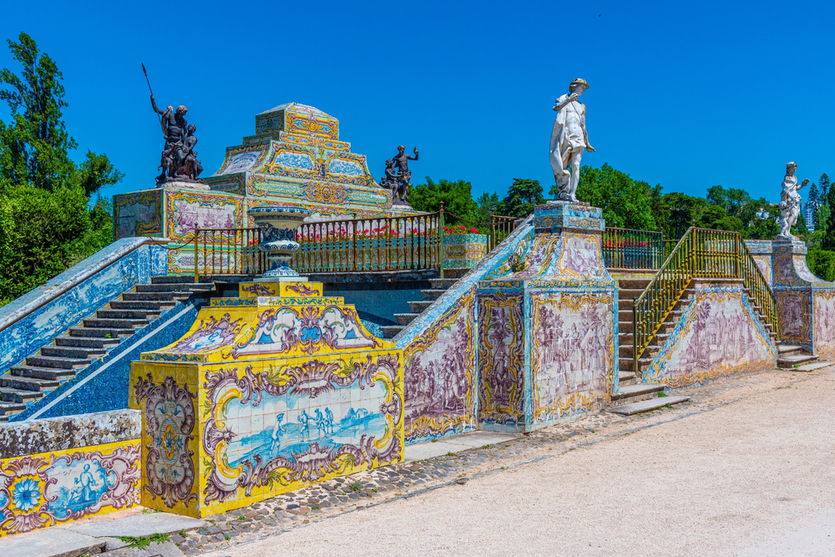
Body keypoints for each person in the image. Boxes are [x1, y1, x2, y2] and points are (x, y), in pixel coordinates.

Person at [550, 78, 595, 202]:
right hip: (566, 136)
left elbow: (583, 125)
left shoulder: (582, 106)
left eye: (584, 88)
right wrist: (568, 100)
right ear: (575, 86)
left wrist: (587, 143)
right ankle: (562, 191)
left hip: (579, 137)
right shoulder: (564, 98)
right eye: (582, 87)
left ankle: (572, 194)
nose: (583, 90)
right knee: (562, 166)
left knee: (576, 165)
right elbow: (555, 107)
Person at [779, 162, 809, 238]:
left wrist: (802, 185)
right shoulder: (787, 178)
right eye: (793, 169)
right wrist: (791, 197)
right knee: (791, 215)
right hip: (789, 199)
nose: (794, 170)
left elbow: (795, 188)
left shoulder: (794, 177)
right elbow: (786, 190)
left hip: (794, 198)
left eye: (795, 169)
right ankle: (786, 232)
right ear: (788, 169)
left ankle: (788, 231)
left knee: (794, 215)